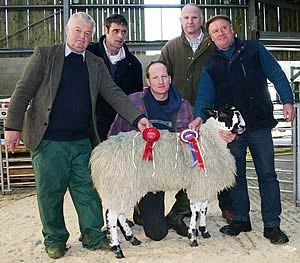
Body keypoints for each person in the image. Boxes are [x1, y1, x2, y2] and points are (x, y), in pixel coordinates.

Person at [4, 12, 150, 259]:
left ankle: (93, 235)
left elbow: (113, 93)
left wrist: (137, 118)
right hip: (49, 140)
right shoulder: (45, 55)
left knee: (87, 191)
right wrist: (12, 127)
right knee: (50, 193)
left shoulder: (95, 63)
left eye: (88, 33)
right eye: (78, 31)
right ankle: (55, 239)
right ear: (67, 30)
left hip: (82, 140)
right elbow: (23, 91)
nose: (83, 37)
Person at [190, 14, 295, 244]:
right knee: (235, 175)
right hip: (231, 130)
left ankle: (272, 225)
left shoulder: (254, 49)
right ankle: (240, 219)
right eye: (215, 31)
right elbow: (204, 96)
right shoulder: (211, 63)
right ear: (211, 37)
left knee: (267, 174)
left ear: (233, 29)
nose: (221, 33)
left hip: (259, 124)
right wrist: (198, 117)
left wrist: (287, 100)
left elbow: (276, 74)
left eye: (224, 28)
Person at [109, 60, 235, 241]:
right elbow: (116, 132)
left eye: (164, 77)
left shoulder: (184, 106)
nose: (160, 81)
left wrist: (224, 133)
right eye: (155, 77)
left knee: (200, 177)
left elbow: (202, 135)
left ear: (170, 79)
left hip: (175, 166)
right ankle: (140, 206)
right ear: (148, 82)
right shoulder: (134, 102)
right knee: (157, 233)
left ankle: (177, 214)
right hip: (147, 172)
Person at [160, 3, 232, 226]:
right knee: (183, 160)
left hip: (211, 114)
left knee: (217, 159)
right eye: (186, 18)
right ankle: (168, 210)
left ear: (201, 20)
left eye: (194, 17)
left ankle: (227, 206)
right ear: (180, 21)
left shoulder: (214, 46)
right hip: (181, 114)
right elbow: (161, 77)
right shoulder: (171, 48)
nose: (190, 21)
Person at [87, 14, 143, 141]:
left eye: (124, 32)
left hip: (121, 128)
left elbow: (136, 98)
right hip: (90, 126)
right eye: (115, 31)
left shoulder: (134, 64)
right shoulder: (89, 54)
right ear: (105, 30)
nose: (120, 36)